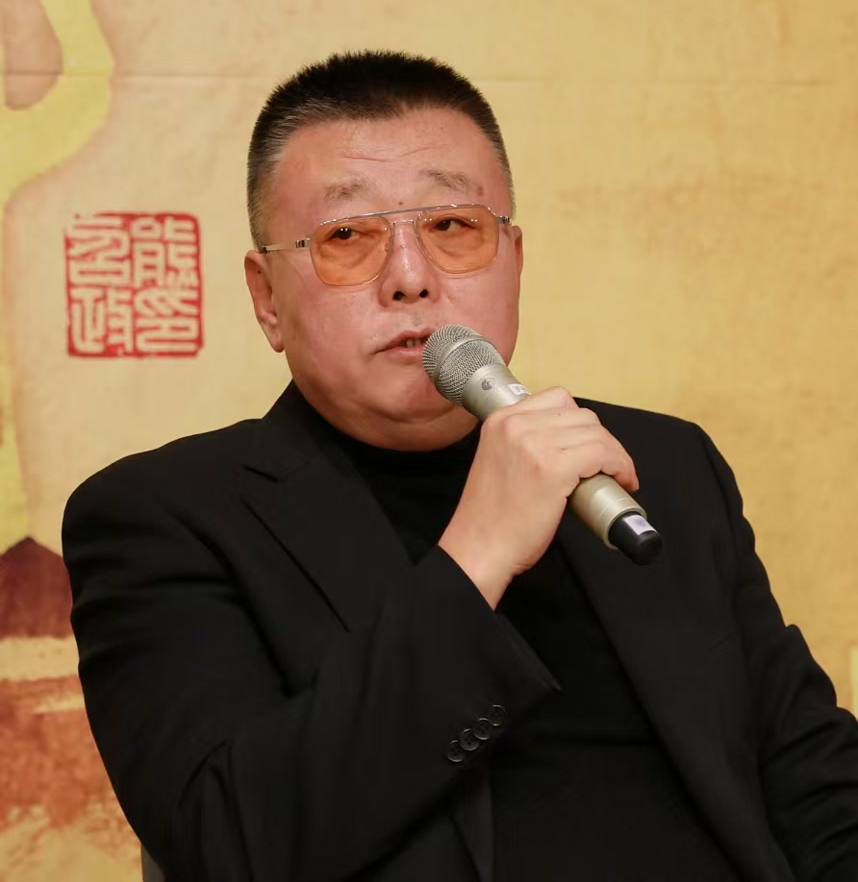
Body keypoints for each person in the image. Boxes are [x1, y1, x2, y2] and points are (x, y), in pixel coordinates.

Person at [63, 51, 858, 882]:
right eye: (347, 237)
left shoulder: (656, 464)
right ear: (267, 299)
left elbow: (816, 785)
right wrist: (477, 554)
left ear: (515, 258)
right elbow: (232, 845)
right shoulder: (163, 517)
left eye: (452, 227)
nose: (411, 279)